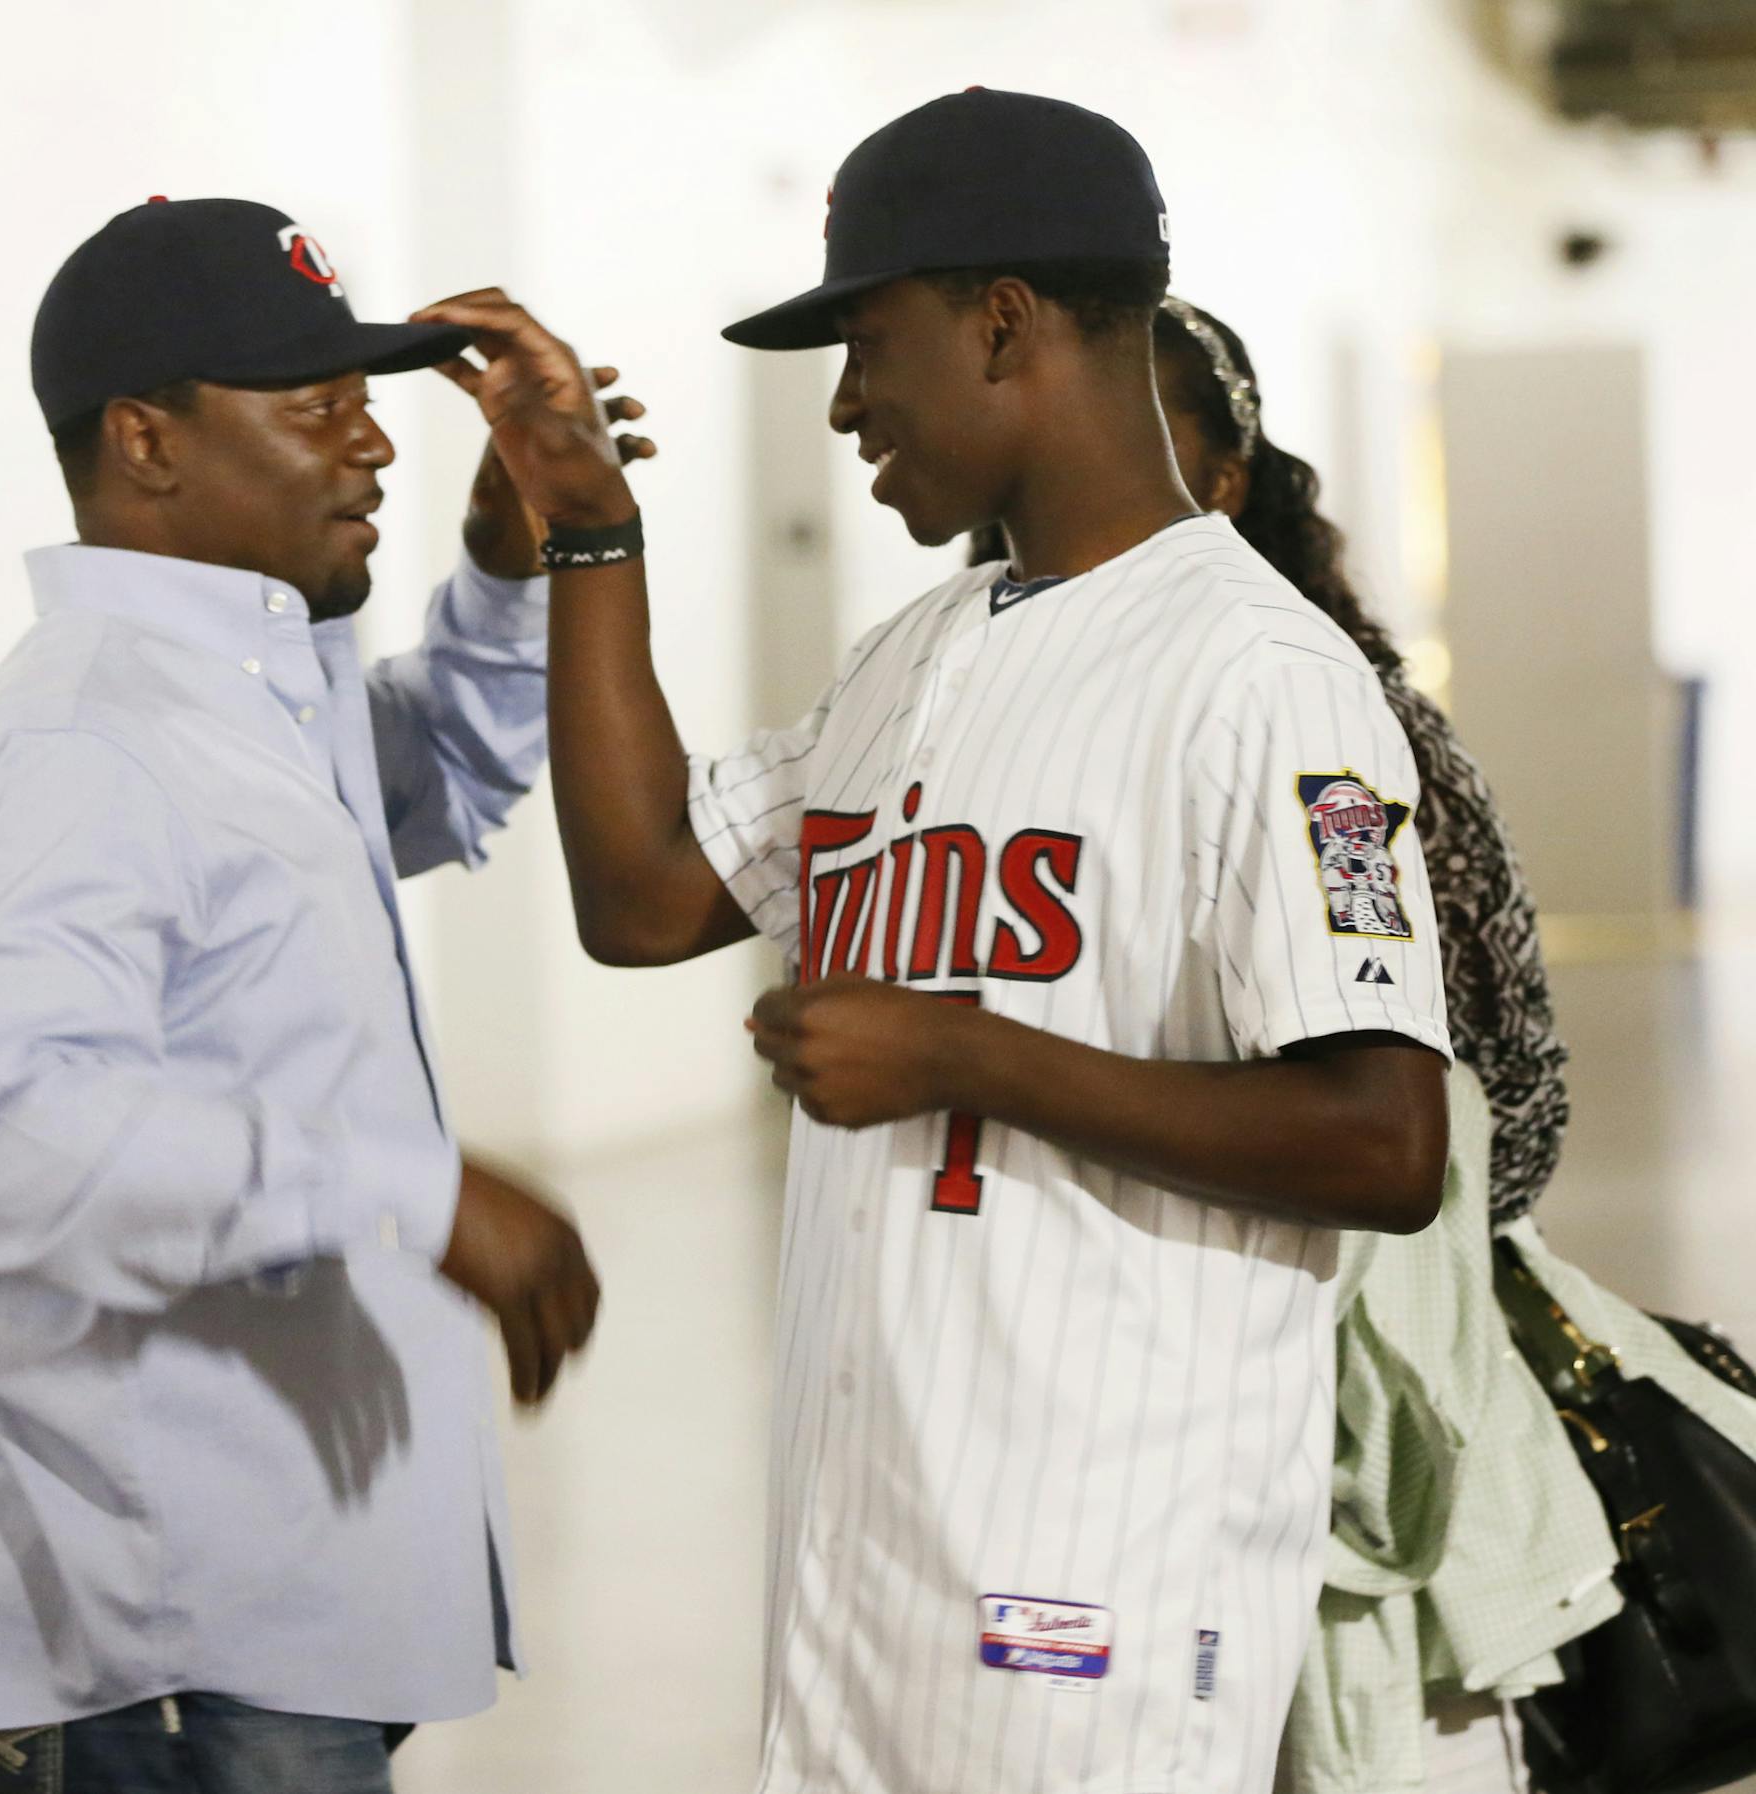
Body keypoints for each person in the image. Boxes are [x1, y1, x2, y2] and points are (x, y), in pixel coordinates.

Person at [416, 91, 1452, 1794]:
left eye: (864, 340)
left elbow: (1385, 1136)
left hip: (1101, 1594)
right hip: (872, 1556)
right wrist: (589, 521)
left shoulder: (1261, 677)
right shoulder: (921, 648)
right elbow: (649, 893)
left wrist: (969, 1051)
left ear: (1001, 320)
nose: (842, 402)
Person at [0, 196, 619, 1793]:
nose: (377, 449)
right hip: (146, 1648)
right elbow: (7, 1132)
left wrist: (503, 565)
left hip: (258, 1609)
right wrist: (413, 1188)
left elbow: (450, 770)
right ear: (146, 440)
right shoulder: (78, 745)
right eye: (316, 406)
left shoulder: (241, 695)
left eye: (368, 400)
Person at [1131, 297, 1572, 1790]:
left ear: (1232, 481)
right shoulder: (1000, 718)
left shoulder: (1337, 720)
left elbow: (1498, 1094)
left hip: (1342, 1389)